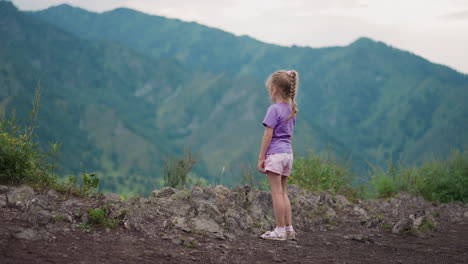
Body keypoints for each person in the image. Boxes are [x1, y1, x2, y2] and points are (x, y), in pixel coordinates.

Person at [258, 69, 298, 240]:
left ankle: (279, 230)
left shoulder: (274, 109)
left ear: (274, 90)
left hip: (275, 154)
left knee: (276, 194)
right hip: (288, 154)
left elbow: (268, 135)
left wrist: (261, 157)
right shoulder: (291, 109)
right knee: (284, 193)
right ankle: (289, 229)